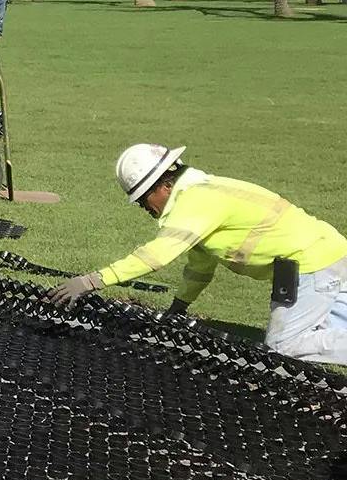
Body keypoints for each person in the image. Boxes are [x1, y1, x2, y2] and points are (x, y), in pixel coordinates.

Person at [51, 144, 347, 366]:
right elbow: (200, 265)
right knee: (333, 330)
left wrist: (90, 281)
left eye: (143, 200)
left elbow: (155, 256)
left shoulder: (196, 201)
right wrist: (180, 306)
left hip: (312, 265)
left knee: (284, 348)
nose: (145, 208)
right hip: (329, 252)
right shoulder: (200, 194)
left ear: (164, 185)